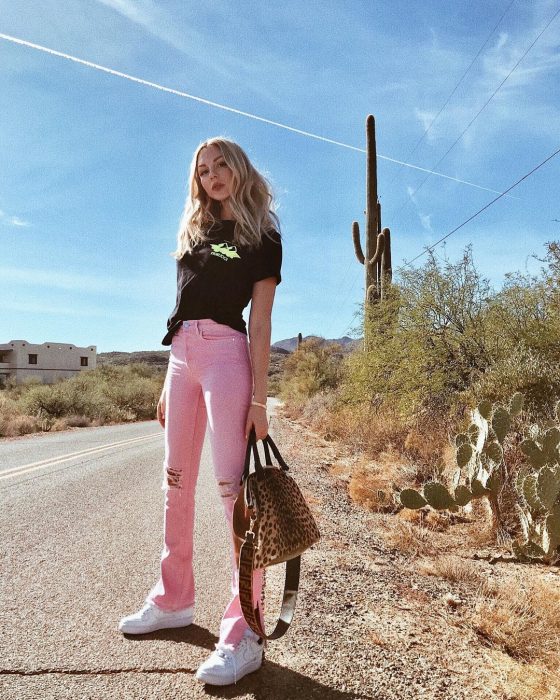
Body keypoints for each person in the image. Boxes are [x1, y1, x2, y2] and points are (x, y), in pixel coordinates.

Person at [118, 137, 282, 686]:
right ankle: (173, 598)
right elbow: (184, 301)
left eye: (220, 166)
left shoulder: (262, 233)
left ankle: (245, 629)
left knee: (233, 494)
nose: (211, 176)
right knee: (175, 483)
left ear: (239, 167)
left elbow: (259, 323)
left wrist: (260, 398)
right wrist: (170, 379)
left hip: (227, 355)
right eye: (202, 170)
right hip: (181, 358)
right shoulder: (197, 231)